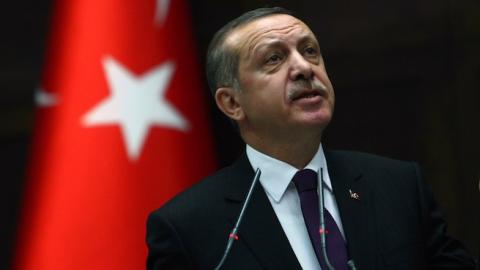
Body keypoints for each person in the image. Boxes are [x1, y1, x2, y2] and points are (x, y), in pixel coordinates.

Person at [146, 7, 476, 270]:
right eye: (273, 58)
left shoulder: (398, 185)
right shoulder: (187, 226)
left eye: (310, 51)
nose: (304, 67)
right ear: (232, 103)